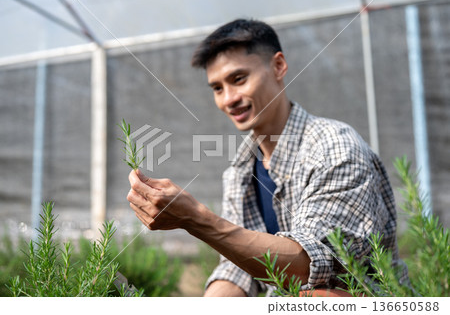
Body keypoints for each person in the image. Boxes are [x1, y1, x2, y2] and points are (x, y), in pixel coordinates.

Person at [126, 19, 408, 297]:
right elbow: (238, 272)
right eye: (217, 88)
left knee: (321, 295)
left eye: (238, 79)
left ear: (278, 66)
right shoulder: (240, 170)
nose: (229, 99)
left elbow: (313, 267)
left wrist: (197, 220)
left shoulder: (335, 148)